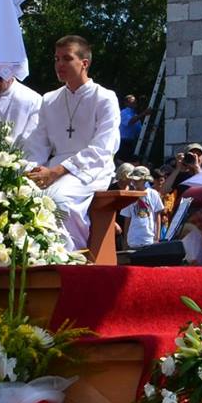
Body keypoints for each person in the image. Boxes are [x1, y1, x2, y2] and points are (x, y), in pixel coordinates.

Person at [25, 36, 122, 249]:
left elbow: (103, 148)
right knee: (23, 196)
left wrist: (58, 171)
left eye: (66, 58)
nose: (59, 65)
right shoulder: (49, 99)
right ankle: (37, 258)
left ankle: (70, 257)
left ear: (84, 63)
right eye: (56, 58)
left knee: (58, 201)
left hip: (92, 168)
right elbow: (38, 142)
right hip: (54, 167)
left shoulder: (104, 98)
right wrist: (31, 170)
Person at [118, 164, 163, 249]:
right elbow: (127, 220)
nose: (134, 182)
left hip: (149, 238)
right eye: (133, 180)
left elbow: (157, 216)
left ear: (144, 180)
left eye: (137, 180)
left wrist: (157, 237)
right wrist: (125, 240)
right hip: (133, 239)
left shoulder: (153, 193)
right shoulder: (129, 195)